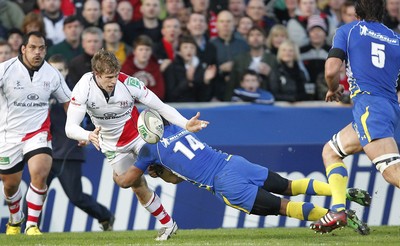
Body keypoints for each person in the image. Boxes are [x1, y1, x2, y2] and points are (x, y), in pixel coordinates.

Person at [113, 119, 371, 235]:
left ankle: (344, 219)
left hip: (224, 183)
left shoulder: (148, 150)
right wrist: (166, 174)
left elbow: (126, 182)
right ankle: (343, 194)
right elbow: (182, 172)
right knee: (290, 186)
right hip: (233, 162)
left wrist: (114, 168)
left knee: (283, 207)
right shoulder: (174, 128)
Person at [64, 49, 208, 240]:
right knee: (133, 184)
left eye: (115, 75)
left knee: (171, 178)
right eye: (108, 77)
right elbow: (70, 128)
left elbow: (160, 106)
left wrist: (185, 123)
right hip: (112, 145)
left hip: (140, 137)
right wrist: (88, 134)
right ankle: (168, 224)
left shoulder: (129, 82)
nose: (113, 81)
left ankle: (205, 176)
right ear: (96, 75)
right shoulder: (84, 87)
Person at [310, 0, 400, 234]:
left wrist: (332, 88)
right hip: (387, 107)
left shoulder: (348, 31)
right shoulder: (395, 39)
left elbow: (331, 70)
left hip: (369, 108)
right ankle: (339, 209)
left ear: (357, 12)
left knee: (393, 173)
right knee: (330, 151)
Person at [0, 31, 71, 235]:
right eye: (32, 47)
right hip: (8, 135)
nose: (37, 52)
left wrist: (77, 128)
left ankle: (32, 225)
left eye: (41, 48)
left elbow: (68, 101)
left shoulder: (52, 74)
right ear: (23, 49)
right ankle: (15, 219)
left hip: (37, 132)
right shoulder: (5, 70)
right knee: (10, 185)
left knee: (40, 171)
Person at [46, 54, 115, 231]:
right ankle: (26, 228)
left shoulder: (77, 92)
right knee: (36, 192)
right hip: (43, 151)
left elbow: (93, 117)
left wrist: (86, 134)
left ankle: (105, 215)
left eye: (60, 70)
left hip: (69, 151)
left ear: (67, 71)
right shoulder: (41, 91)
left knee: (75, 196)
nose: (57, 74)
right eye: (53, 71)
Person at [121, 35, 165, 100]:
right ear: (134, 52)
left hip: (151, 105)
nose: (144, 52)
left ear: (151, 52)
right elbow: (123, 92)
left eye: (147, 50)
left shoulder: (155, 67)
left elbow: (160, 92)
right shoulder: (126, 68)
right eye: (141, 49)